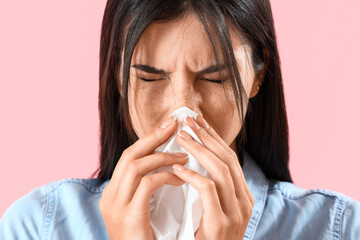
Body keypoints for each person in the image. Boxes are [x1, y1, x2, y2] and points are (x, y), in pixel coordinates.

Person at [1, 0, 359, 239]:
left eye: (215, 78)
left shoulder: (338, 228)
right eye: (150, 77)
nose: (183, 109)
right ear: (116, 76)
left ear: (258, 73)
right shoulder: (38, 226)